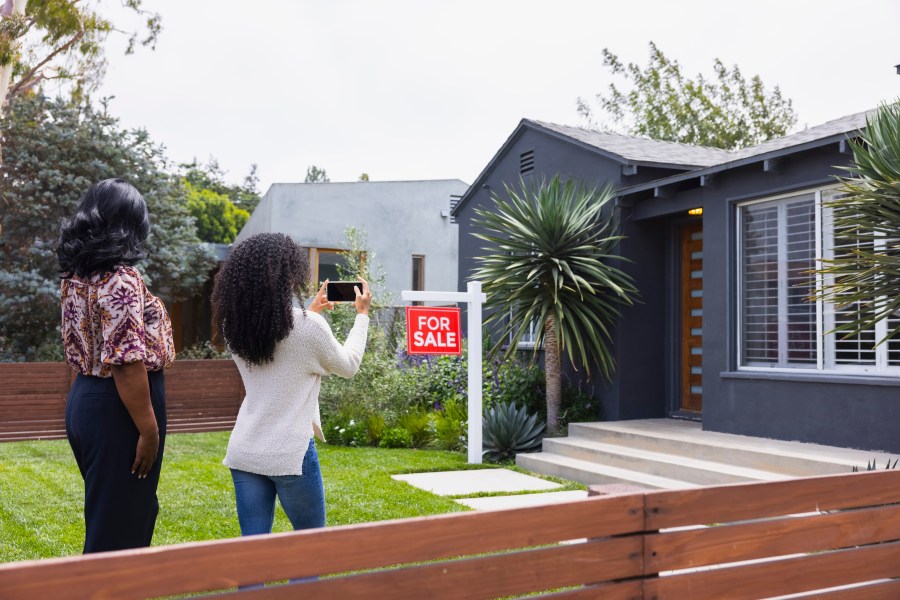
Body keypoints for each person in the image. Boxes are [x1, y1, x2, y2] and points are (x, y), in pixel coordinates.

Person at [211, 232, 371, 536]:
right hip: (290, 454)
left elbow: (281, 348)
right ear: (288, 274)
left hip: (246, 450)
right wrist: (361, 316)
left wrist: (310, 313)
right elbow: (348, 366)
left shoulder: (233, 328)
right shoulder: (308, 328)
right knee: (308, 550)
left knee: (253, 553)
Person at [56, 178, 174, 553]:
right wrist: (149, 430)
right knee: (121, 529)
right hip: (121, 407)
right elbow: (125, 362)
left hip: (87, 398)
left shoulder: (76, 275)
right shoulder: (120, 278)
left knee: (113, 515)